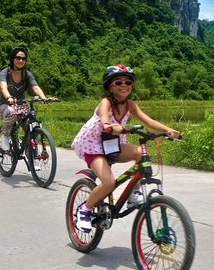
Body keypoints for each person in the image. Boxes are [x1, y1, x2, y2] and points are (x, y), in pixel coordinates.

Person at [71, 64, 181, 232]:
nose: (124, 85)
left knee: (139, 153)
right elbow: (103, 117)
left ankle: (133, 194)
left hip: (112, 145)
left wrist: (168, 130)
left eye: (128, 82)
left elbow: (149, 121)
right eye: (118, 82)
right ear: (109, 86)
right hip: (93, 146)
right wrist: (108, 125)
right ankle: (85, 210)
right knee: (109, 183)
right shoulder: (105, 102)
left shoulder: (130, 105)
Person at [0, 46, 49, 152]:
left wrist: (44, 98)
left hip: (21, 106)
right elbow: (3, 87)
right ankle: (5, 137)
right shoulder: (5, 72)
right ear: (12, 59)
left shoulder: (27, 74)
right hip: (5, 105)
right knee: (11, 112)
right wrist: (9, 97)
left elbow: (35, 87)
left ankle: (31, 156)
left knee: (31, 129)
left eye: (23, 59)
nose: (21, 61)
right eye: (18, 58)